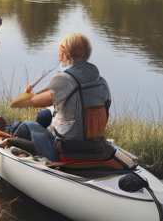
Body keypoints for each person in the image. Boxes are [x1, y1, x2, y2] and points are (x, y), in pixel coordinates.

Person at [7, 32, 112, 162]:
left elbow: (20, 103)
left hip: (68, 149)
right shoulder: (101, 81)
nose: (57, 55)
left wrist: (26, 95)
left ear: (65, 52)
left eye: (59, 51)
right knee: (46, 116)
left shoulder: (64, 79)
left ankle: (19, 157)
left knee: (26, 126)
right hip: (96, 146)